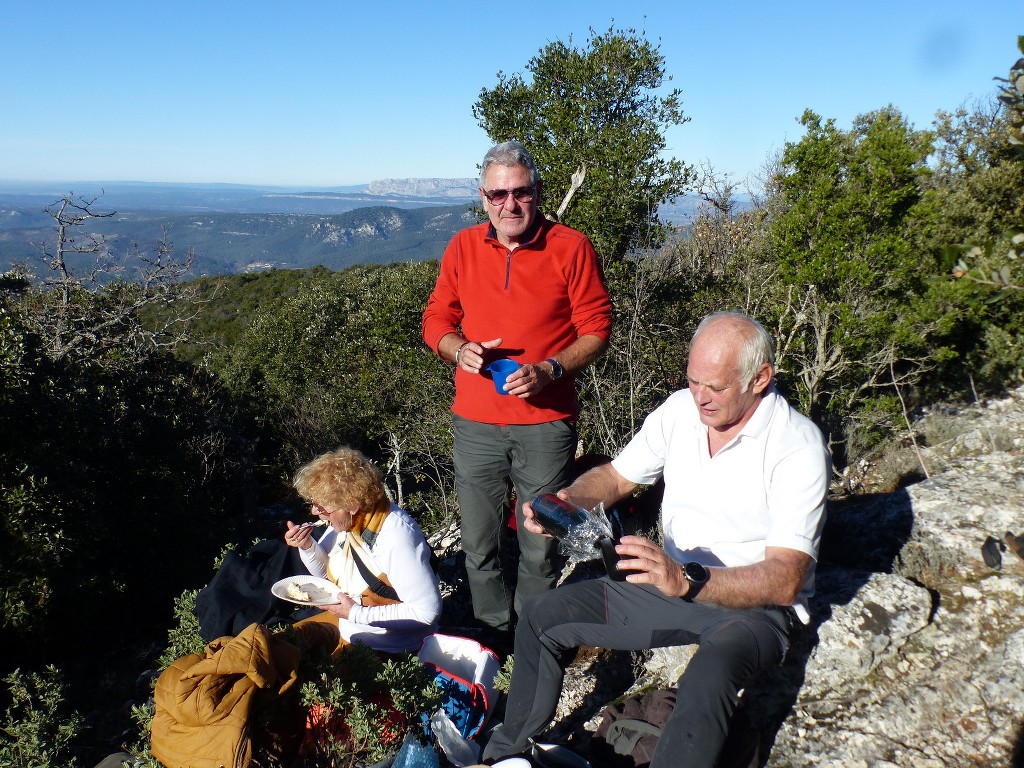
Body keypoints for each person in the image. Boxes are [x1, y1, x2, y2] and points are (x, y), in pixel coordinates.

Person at [481, 312, 831, 768]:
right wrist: (567, 501)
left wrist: (685, 579)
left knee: (709, 676)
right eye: (693, 382)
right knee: (544, 616)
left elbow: (785, 579)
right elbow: (615, 477)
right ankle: (502, 755)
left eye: (717, 388)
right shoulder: (679, 412)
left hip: (752, 610)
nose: (700, 398)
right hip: (671, 587)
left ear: (760, 378)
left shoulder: (796, 446)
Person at [421, 139, 613, 636]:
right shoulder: (463, 247)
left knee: (541, 541)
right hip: (476, 422)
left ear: (538, 193)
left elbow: (597, 329)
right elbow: (437, 318)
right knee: (479, 538)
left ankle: (534, 633)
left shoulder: (571, 247)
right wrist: (455, 348)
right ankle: (490, 629)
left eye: (521, 193)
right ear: (483, 198)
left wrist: (549, 370)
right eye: (498, 194)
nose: (510, 204)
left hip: (546, 424)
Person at [284, 447, 441, 655]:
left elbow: (426, 612)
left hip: (384, 647)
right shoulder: (347, 524)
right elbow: (327, 578)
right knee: (270, 646)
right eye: (314, 503)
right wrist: (307, 546)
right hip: (348, 626)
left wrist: (356, 613)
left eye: (322, 507)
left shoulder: (395, 536)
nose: (315, 511)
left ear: (352, 505)